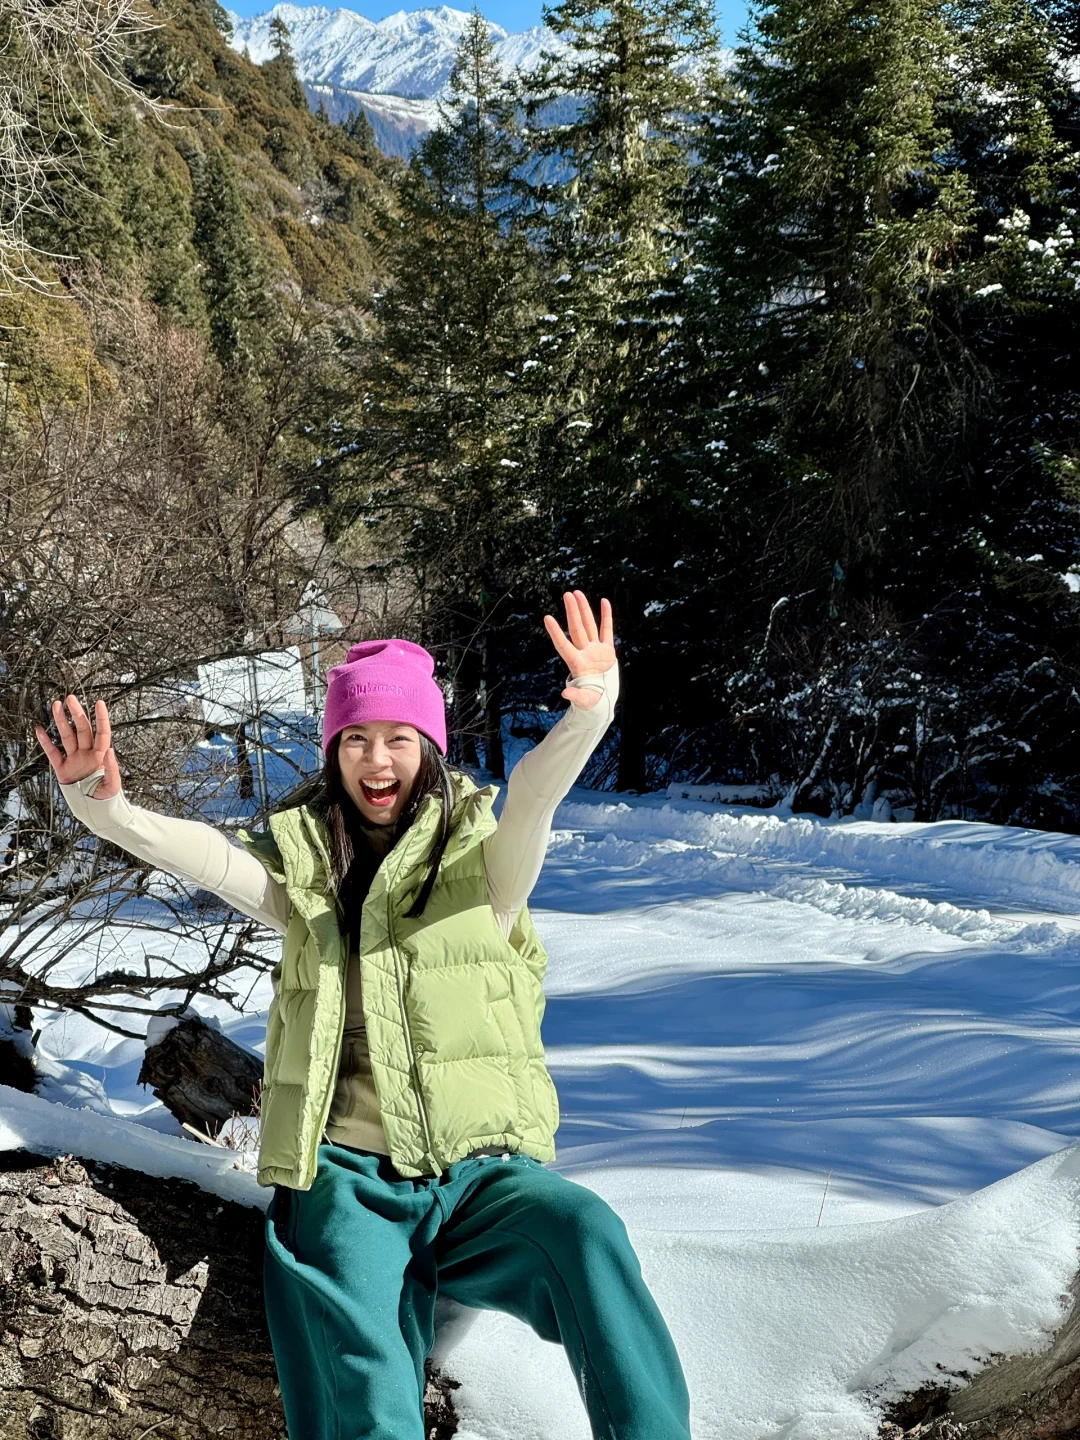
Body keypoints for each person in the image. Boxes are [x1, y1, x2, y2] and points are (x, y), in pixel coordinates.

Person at [37, 592, 692, 1440]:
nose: (375, 759)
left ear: (429, 747)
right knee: (366, 1387)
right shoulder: (309, 879)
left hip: (476, 1177)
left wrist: (591, 709)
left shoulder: (487, 867)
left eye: (396, 738)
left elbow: (533, 794)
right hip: (347, 1181)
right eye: (355, 739)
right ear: (334, 753)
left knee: (585, 1233)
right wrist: (104, 806)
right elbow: (211, 858)